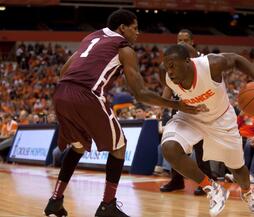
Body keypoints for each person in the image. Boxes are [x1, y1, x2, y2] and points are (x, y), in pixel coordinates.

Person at [44, 9, 200, 217]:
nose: (138, 33)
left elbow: (64, 71)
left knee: (78, 147)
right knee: (120, 147)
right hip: (87, 95)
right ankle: (108, 205)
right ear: (122, 28)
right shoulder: (124, 49)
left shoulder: (91, 37)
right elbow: (141, 93)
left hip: (61, 94)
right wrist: (177, 105)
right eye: (135, 28)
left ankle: (55, 200)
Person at [160, 44, 254, 217]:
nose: (169, 71)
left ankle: (248, 193)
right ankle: (212, 188)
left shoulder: (211, 65)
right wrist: (166, 106)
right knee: (169, 148)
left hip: (221, 119)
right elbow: (163, 91)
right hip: (190, 117)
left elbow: (237, 59)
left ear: (187, 61)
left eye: (173, 66)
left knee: (237, 169)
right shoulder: (165, 74)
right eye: (167, 67)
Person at [159, 29, 212, 195]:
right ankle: (177, 180)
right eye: (179, 40)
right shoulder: (173, 60)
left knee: (201, 148)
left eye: (185, 40)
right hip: (181, 108)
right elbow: (168, 85)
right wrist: (162, 106)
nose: (181, 43)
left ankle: (206, 181)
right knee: (175, 144)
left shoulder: (202, 59)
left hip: (201, 108)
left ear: (192, 41)